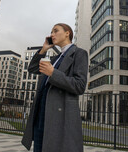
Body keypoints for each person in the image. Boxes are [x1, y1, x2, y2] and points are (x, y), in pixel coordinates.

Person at [21, 23, 88, 152]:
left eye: (56, 31)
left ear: (67, 33)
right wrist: (43, 49)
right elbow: (33, 68)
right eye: (51, 32)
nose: (52, 34)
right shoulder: (54, 58)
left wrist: (53, 73)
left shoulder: (79, 54)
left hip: (59, 115)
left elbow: (79, 86)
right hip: (41, 112)